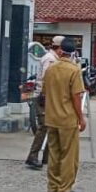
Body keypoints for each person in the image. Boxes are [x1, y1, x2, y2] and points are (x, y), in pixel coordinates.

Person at [42, 37, 86, 192]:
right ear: (73, 52)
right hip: (67, 119)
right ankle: (65, 188)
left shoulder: (51, 69)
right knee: (69, 155)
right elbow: (76, 97)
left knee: (53, 153)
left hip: (51, 117)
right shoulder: (73, 70)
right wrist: (81, 118)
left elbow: (45, 92)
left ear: (60, 51)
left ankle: (52, 187)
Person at [25, 35, 65, 170]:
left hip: (49, 97)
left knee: (51, 127)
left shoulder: (54, 58)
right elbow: (47, 79)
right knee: (43, 127)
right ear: (59, 48)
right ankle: (33, 156)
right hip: (44, 97)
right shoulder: (50, 59)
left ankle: (47, 157)